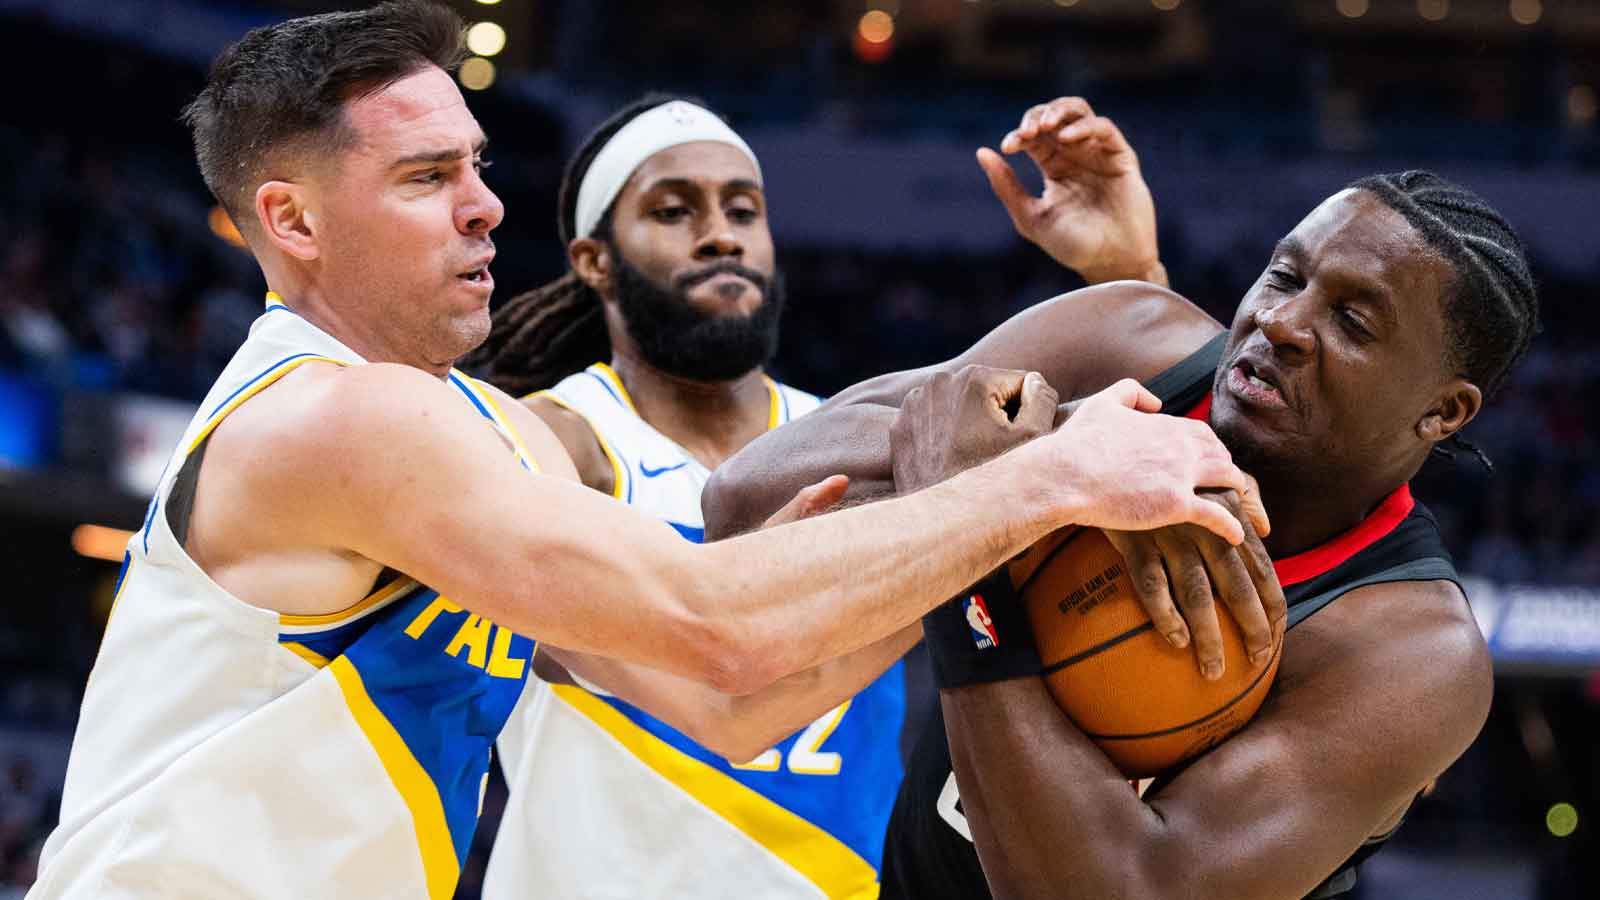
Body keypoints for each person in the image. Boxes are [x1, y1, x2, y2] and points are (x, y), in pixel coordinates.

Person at [26, 7, 1255, 900]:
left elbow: (728, 700)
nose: (485, 205)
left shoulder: (486, 439)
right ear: (289, 220)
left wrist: (1018, 512)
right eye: (425, 176)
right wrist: (1046, 480)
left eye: (478, 166)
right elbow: (717, 624)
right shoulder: (335, 417)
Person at [465, 94, 1269, 898]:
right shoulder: (553, 443)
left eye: (744, 209)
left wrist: (1124, 275)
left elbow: (1118, 456)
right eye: (674, 211)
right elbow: (728, 696)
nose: (721, 233)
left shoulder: (851, 436)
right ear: (595, 260)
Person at [704, 129, 1537, 897]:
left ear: (1444, 412)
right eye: (1285, 276)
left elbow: (1123, 887)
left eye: (1352, 321)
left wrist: (978, 553)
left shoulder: (1411, 653)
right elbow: (742, 501)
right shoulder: (1130, 339)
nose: (1281, 322)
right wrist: (1067, 458)